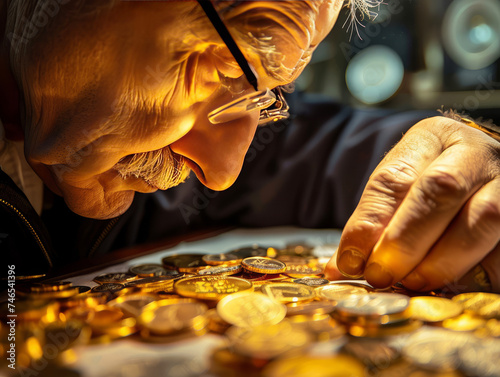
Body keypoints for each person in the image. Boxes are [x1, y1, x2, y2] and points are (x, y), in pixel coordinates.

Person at [0, 0, 499, 293]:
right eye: (230, 72)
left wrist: (464, 158)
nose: (222, 172)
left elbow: (328, 150)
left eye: (268, 95)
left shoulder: (224, 128)